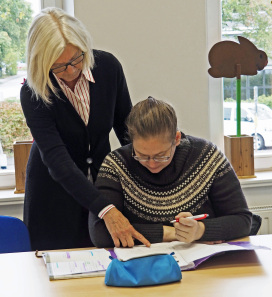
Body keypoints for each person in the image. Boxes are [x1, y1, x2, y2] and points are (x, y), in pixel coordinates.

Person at [20, 7, 150, 250]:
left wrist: (151, 178)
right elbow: (57, 160)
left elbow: (127, 132)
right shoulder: (33, 92)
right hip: (52, 196)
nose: (70, 72)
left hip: (103, 186)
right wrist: (105, 209)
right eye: (58, 66)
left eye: (76, 59)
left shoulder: (108, 68)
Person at [88, 96, 253, 247]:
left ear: (177, 139)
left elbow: (242, 221)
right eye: (142, 156)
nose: (152, 164)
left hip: (203, 266)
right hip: (142, 269)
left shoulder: (207, 156)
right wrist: (172, 233)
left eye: (161, 156)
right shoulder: (116, 165)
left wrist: (199, 230)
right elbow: (100, 233)